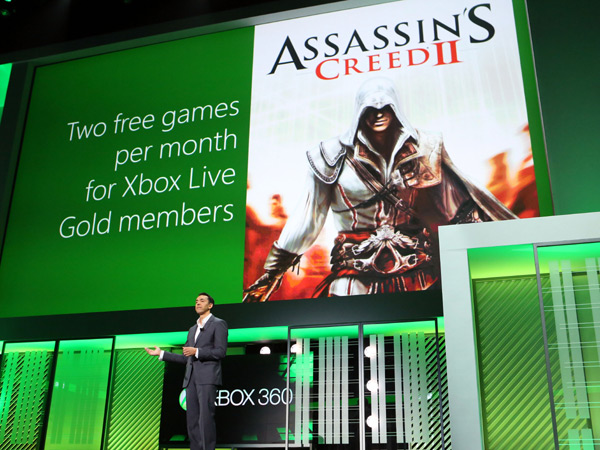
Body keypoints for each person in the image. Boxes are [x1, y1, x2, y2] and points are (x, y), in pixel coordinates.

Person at [243, 77, 517, 301]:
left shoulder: (425, 148)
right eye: (369, 109)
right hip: (353, 280)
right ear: (359, 111)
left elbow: (453, 208)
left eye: (385, 107)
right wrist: (272, 272)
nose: (377, 115)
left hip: (417, 275)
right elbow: (307, 220)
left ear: (395, 108)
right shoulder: (329, 156)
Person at [145, 293, 228, 450]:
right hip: (190, 379)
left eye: (202, 301)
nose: (198, 303)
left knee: (205, 419)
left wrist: (197, 351)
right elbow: (186, 358)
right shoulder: (192, 329)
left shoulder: (218, 324)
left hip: (207, 378)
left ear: (210, 305)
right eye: (196, 301)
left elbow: (220, 351)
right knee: (192, 421)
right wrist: (162, 354)